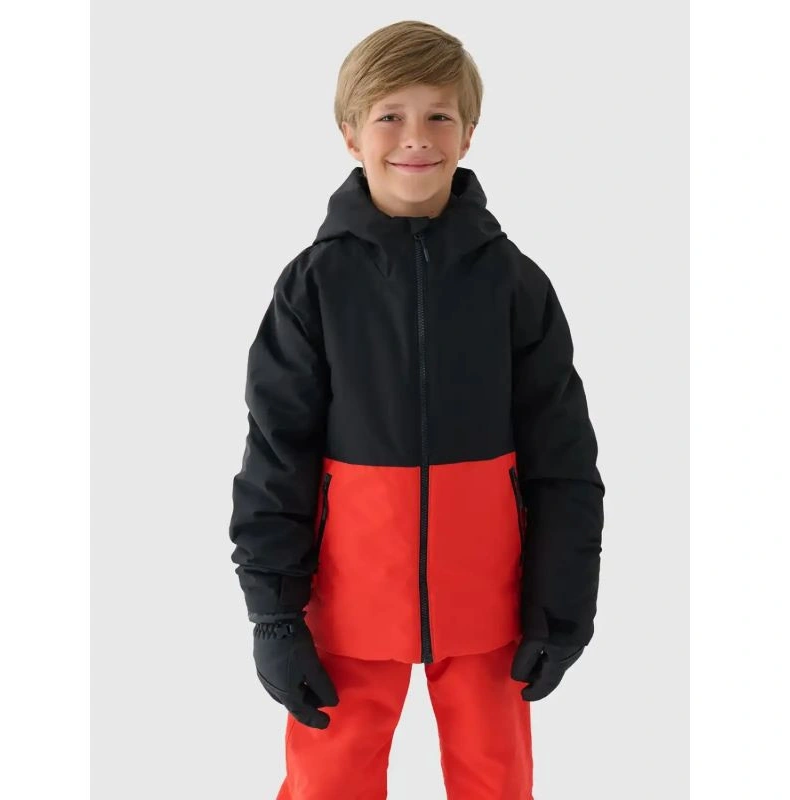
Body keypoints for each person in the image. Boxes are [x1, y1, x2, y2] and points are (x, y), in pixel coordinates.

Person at [228, 19, 605, 800]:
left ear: (469, 133)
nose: (415, 137)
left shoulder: (515, 286)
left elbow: (564, 458)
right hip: (349, 599)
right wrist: (274, 615)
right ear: (349, 133)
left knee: (496, 779)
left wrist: (561, 605)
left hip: (490, 601)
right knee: (329, 782)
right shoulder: (313, 288)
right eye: (389, 116)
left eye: (439, 115)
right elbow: (276, 457)